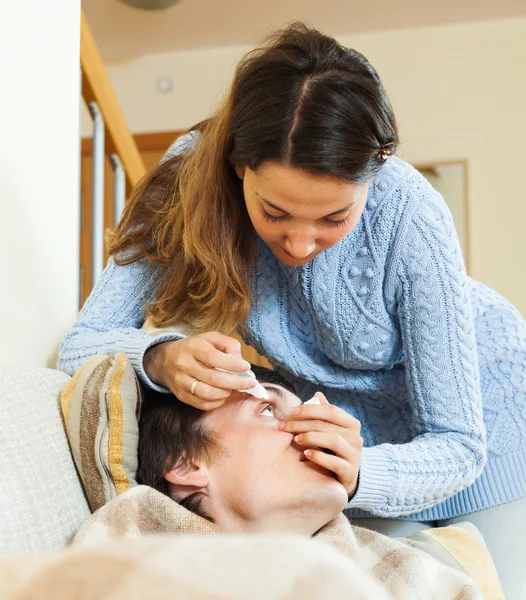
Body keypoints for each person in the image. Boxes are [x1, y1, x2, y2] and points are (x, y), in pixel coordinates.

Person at [58, 21, 525, 597]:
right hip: (344, 449)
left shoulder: (412, 219)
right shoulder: (190, 181)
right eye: (275, 213)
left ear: (374, 175)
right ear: (238, 167)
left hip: (486, 420)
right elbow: (80, 347)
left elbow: (458, 442)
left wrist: (362, 473)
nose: (300, 246)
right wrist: (160, 358)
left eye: (334, 219)